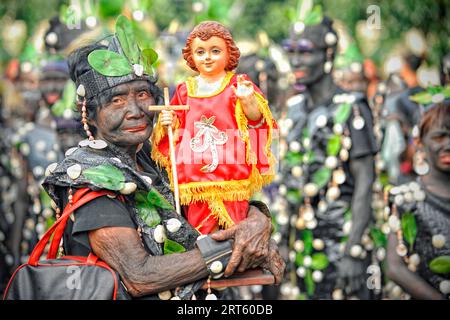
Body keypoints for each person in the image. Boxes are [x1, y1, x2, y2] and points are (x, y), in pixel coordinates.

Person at [42, 16, 284, 300]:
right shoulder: (90, 176)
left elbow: (209, 196)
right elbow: (139, 275)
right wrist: (235, 245)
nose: (135, 110)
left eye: (143, 94)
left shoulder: (156, 157)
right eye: (117, 100)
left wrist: (257, 221)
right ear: (90, 113)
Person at [278, 10, 377, 299]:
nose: (296, 61)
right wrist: (283, 240)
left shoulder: (352, 106)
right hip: (304, 247)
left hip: (343, 241)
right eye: (291, 52)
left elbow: (365, 182)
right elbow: (289, 182)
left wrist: (353, 251)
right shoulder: (294, 109)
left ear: (328, 53)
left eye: (305, 53)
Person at [152, 21, 277, 235]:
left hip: (231, 175)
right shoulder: (185, 90)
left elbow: (259, 121)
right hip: (195, 180)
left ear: (229, 53)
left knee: (236, 233)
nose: (207, 57)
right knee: (200, 235)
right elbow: (176, 129)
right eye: (200, 52)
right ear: (191, 56)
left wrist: (248, 103)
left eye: (215, 51)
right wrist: (168, 122)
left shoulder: (238, 85)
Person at [385, 98, 449, 300]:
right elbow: (394, 267)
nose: (448, 144)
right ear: (420, 142)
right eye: (439, 137)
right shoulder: (407, 199)